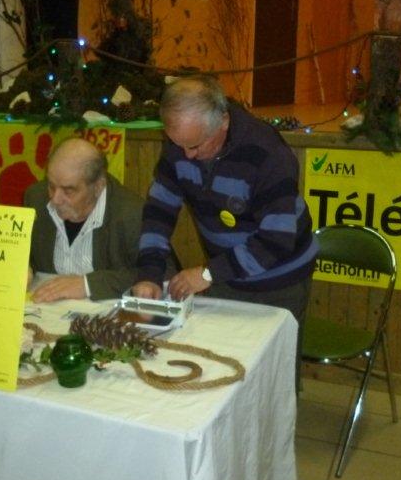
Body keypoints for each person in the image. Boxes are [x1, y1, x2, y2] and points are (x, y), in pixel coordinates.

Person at [132, 75, 319, 386]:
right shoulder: (182, 144)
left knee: (272, 380)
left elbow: (276, 242)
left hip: (281, 280)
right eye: (177, 144)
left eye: (195, 145)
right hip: (227, 273)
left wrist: (208, 274)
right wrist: (149, 273)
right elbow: (158, 211)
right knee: (224, 371)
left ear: (223, 122)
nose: (186, 155)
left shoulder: (268, 153)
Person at [24, 137, 149, 302]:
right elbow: (27, 255)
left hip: (104, 310)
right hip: (45, 308)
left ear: (98, 187)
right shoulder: (36, 198)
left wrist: (88, 284)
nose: (55, 199)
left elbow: (158, 274)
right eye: (51, 186)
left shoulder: (132, 213)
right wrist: (24, 266)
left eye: (69, 190)